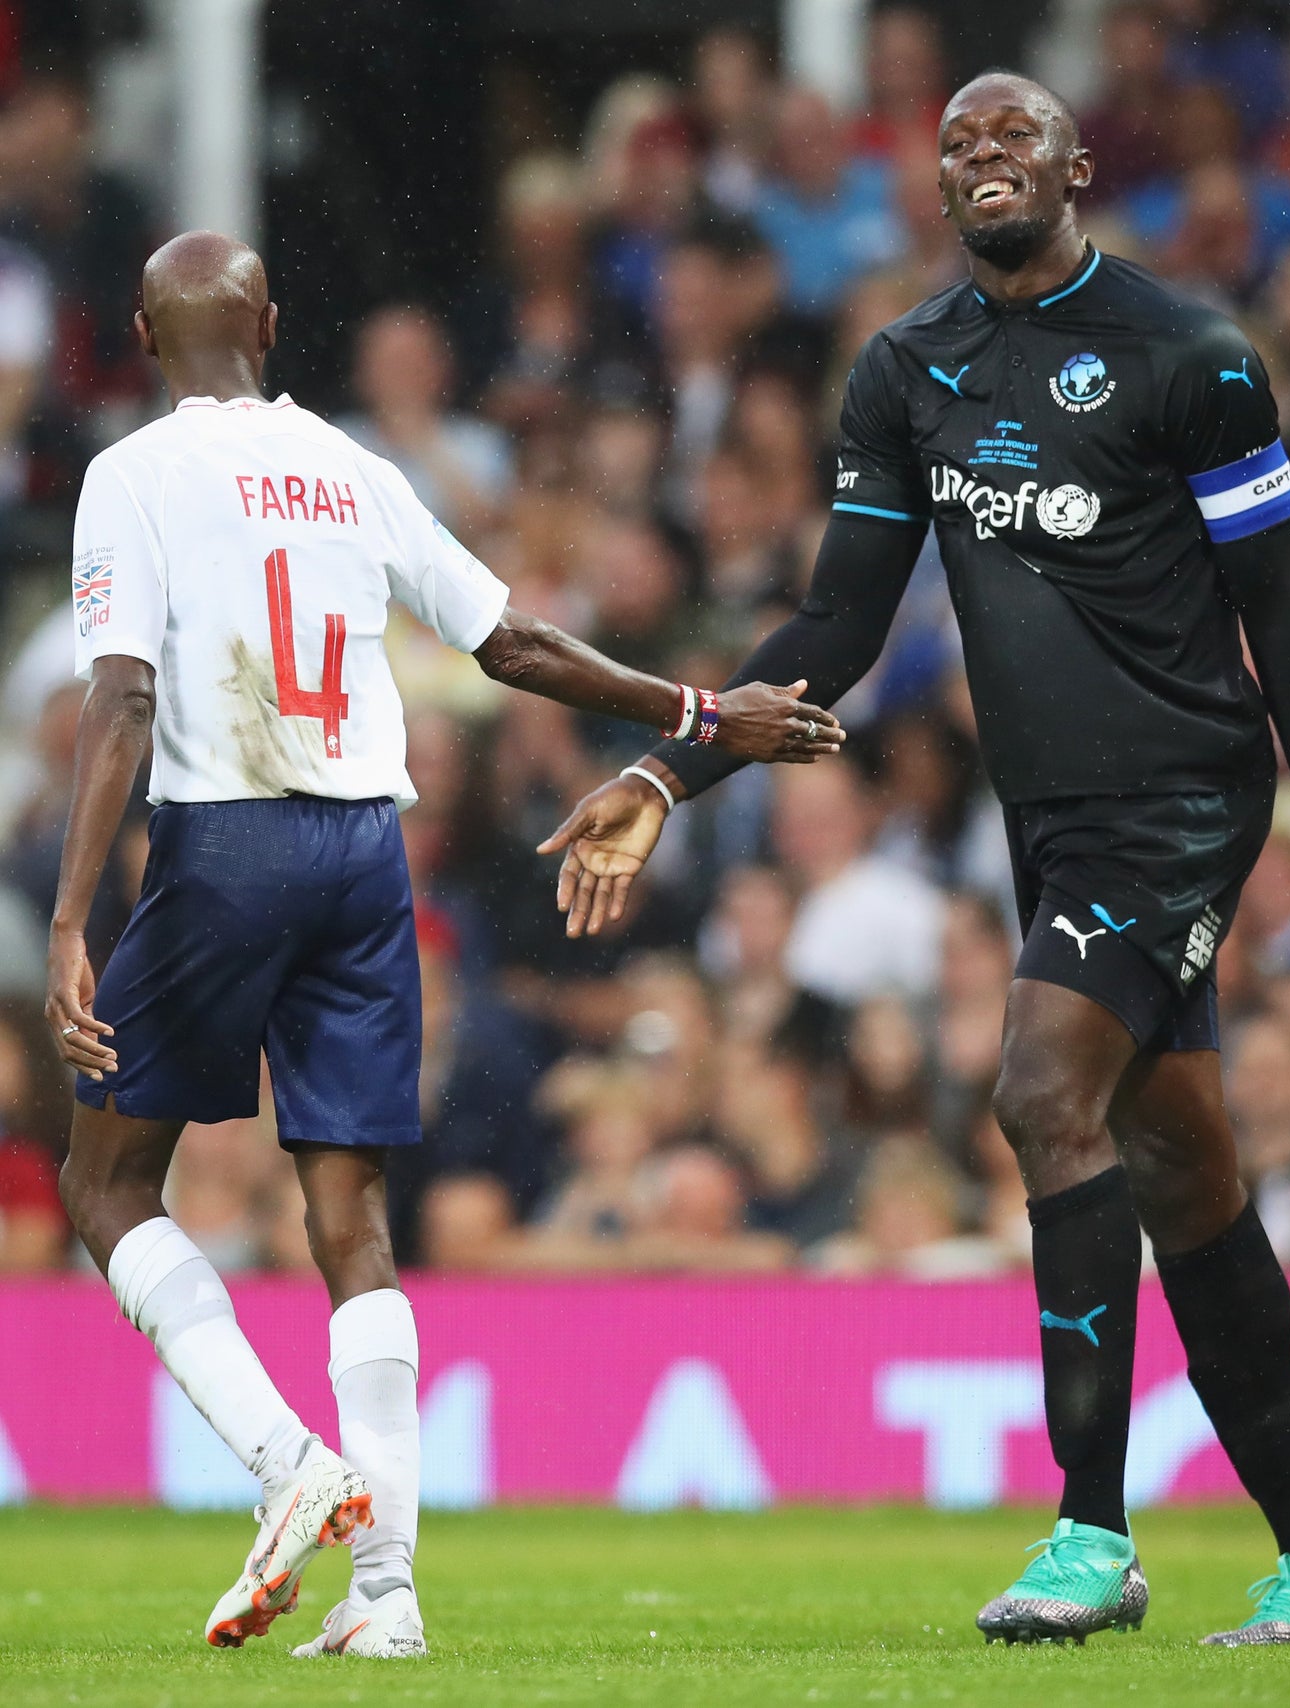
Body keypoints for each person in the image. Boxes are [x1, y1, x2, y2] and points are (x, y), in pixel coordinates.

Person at [540, 74, 1290, 1648]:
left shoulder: (1192, 356)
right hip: (1050, 818)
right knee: (1181, 1172)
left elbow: (1278, 610)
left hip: (1185, 793)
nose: (984, 158)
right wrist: (668, 773)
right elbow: (837, 626)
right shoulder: (905, 370)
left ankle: (1088, 1532)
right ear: (934, 191)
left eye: (1015, 135)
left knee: (1036, 1090)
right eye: (956, 145)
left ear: (1078, 166)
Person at [44, 231, 841, 1659]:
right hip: (366, 854)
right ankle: (389, 1600)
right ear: (276, 325)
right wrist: (704, 716)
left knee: (105, 1185)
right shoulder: (353, 471)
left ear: (150, 343)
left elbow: (116, 693)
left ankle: (291, 1467)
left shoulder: (134, 473)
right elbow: (516, 645)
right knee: (349, 1213)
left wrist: (64, 916)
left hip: (228, 838)